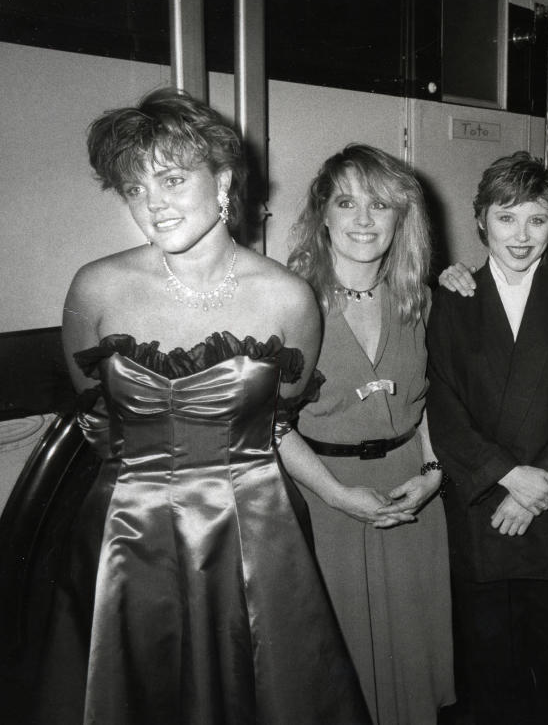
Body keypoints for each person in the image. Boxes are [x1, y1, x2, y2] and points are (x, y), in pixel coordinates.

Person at [28, 88, 370, 724]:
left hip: (254, 534)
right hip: (126, 537)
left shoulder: (289, 298)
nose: (152, 203)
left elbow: (280, 417)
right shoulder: (96, 286)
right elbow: (95, 411)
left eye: (171, 178)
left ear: (224, 181)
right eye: (134, 188)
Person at [426, 151, 548, 724]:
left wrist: (536, 489)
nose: (521, 234)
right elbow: (442, 404)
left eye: (537, 220)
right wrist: (507, 477)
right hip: (483, 515)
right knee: (487, 686)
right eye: (506, 217)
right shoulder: (446, 301)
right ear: (481, 219)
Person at [287, 143, 455, 724]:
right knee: (335, 673)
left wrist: (434, 474)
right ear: (322, 214)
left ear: (400, 217)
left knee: (408, 672)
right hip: (322, 498)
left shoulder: (420, 299)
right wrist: (336, 494)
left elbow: (431, 398)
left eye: (380, 205)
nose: (363, 220)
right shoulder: (289, 301)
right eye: (346, 202)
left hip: (410, 497)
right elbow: (269, 425)